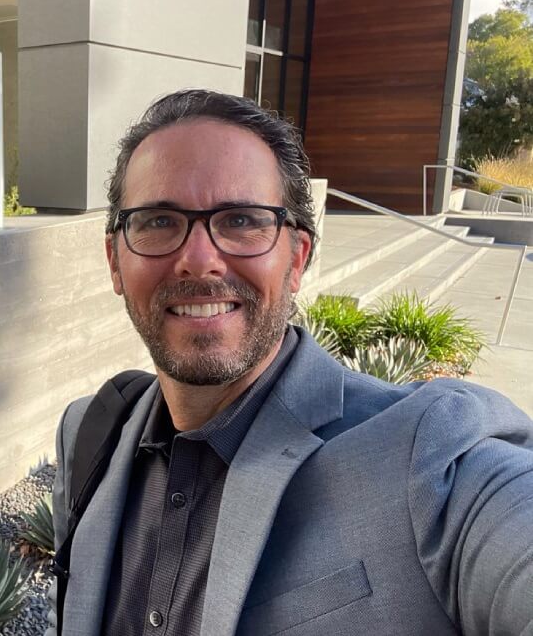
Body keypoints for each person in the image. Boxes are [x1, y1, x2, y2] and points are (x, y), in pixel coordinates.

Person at [48, 89, 533, 636]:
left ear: (297, 258)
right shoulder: (88, 435)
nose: (200, 260)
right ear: (116, 261)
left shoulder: (434, 455)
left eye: (241, 220)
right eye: (158, 221)